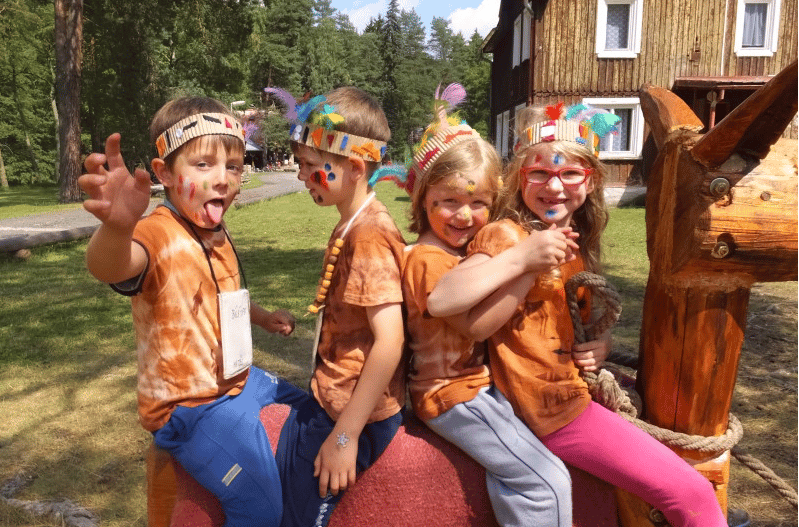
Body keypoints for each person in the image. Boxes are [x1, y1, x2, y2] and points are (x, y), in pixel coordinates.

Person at [427, 103, 728, 527]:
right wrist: (523, 259)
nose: (555, 186)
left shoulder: (576, 243)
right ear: (520, 177)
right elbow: (444, 299)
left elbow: (565, 324)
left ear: (591, 180)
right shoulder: (508, 234)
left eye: (570, 173)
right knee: (691, 492)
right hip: (552, 411)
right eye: (539, 173)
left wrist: (598, 345)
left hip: (571, 395)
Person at [79, 96, 305, 527]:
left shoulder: (214, 228)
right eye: (203, 165)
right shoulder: (157, 234)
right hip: (190, 408)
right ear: (164, 172)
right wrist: (117, 228)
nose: (222, 179)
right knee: (259, 506)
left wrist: (262, 317)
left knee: (314, 415)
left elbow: (224, 296)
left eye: (233, 167)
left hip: (241, 382)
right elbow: (112, 267)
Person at [402, 86, 573, 526]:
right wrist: (526, 264)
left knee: (518, 471)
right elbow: (475, 326)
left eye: (478, 203)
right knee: (547, 482)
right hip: (451, 395)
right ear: (422, 197)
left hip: (471, 390)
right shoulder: (427, 260)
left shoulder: (453, 254)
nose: (465, 216)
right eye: (450, 201)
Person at [266, 86, 406, 527]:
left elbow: (390, 341)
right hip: (330, 398)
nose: (302, 177)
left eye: (311, 166)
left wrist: (345, 436)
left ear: (355, 167)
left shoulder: (368, 235)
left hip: (352, 415)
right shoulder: (351, 223)